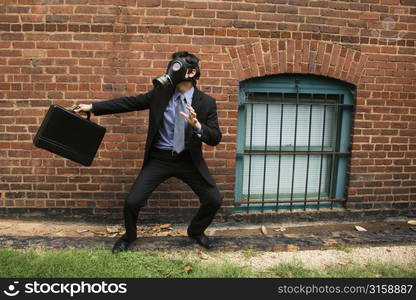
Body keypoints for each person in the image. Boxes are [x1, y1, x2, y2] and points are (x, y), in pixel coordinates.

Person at [74, 51, 223, 253]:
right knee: (132, 202)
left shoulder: (206, 103)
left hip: (188, 160)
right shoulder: (160, 94)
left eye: (177, 67)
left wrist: (197, 126)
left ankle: (196, 231)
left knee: (214, 200)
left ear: (191, 73)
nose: (171, 70)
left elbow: (215, 138)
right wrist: (91, 107)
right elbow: (129, 103)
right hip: (159, 158)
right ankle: (129, 236)